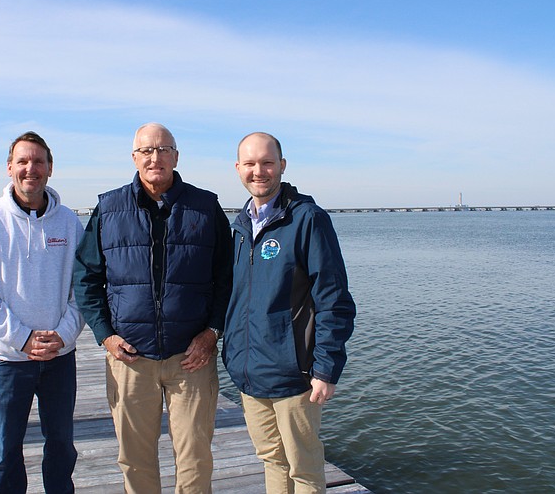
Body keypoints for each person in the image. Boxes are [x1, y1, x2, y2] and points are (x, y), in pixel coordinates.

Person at [73, 122, 233, 493]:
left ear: (176, 157)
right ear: (134, 157)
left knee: (195, 457)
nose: (154, 157)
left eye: (163, 150)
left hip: (191, 358)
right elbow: (86, 277)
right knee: (135, 458)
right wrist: (104, 335)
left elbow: (228, 278)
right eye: (146, 151)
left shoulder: (205, 207)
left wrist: (213, 332)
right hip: (130, 358)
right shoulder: (108, 208)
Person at [222, 132, 356, 494]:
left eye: (267, 162)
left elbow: (334, 300)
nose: (258, 171)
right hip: (250, 375)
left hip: (295, 376)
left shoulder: (308, 219)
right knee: (272, 460)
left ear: (282, 166)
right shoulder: (238, 227)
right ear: (238, 169)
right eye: (249, 164)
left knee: (304, 468)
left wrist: (326, 368)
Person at [0, 131, 85, 494]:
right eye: (23, 161)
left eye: (38, 161)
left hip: (59, 358)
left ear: (50, 169)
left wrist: (64, 334)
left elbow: (84, 288)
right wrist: (22, 338)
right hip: (6, 359)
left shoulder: (70, 223)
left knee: (61, 447)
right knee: (6, 451)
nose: (30, 168)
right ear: (9, 168)